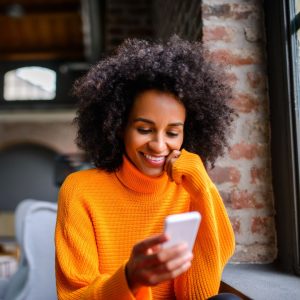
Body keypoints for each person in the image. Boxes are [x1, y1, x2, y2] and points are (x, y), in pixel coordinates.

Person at [55, 36, 238, 299]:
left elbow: (198, 295)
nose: (159, 145)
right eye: (144, 129)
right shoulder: (80, 190)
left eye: (173, 133)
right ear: (118, 126)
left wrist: (203, 189)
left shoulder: (190, 188)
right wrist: (130, 279)